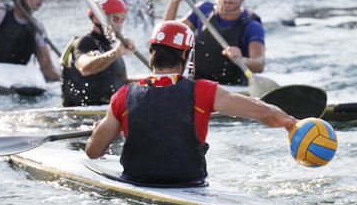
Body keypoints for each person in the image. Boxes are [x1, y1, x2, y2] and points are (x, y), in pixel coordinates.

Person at [85, 21, 297, 185]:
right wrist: (289, 123)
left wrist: (99, 132)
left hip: (137, 182)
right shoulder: (204, 92)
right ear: (186, 55)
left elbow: (93, 152)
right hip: (188, 183)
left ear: (152, 52)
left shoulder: (122, 96)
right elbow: (263, 113)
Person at [164, 0, 265, 86]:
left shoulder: (252, 25)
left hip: (232, 87)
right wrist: (174, 2)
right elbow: (166, 35)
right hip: (196, 83)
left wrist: (242, 60)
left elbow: (259, 65)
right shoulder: (202, 11)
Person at [61, 0, 137, 107]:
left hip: (107, 109)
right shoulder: (83, 43)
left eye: (122, 21)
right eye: (115, 19)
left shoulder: (110, 49)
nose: (119, 26)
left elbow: (123, 82)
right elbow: (84, 68)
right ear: (96, 18)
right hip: (84, 114)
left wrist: (154, 79)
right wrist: (116, 52)